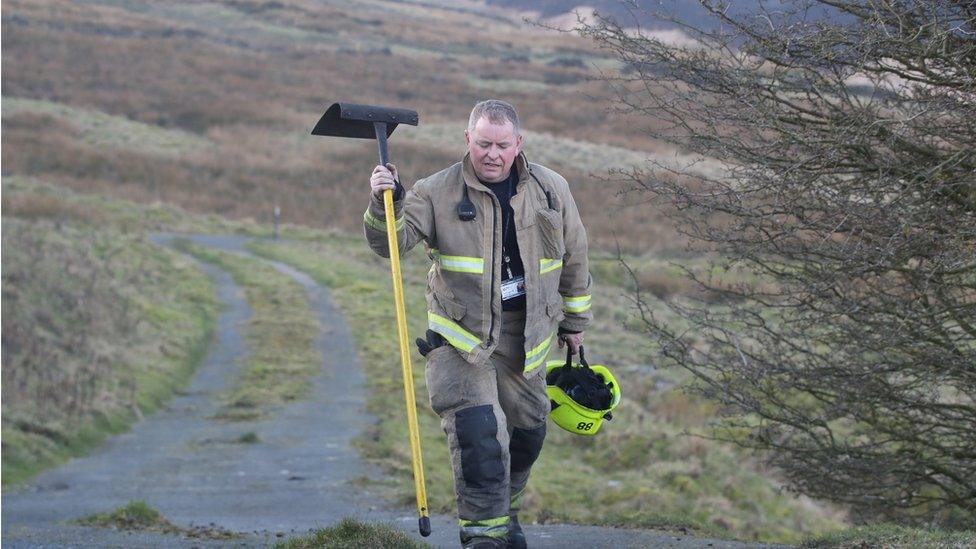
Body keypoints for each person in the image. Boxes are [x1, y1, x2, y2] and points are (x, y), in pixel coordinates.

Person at [364, 99, 592, 549]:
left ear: (518, 144)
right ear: (467, 140)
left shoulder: (551, 189)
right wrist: (381, 201)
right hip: (460, 339)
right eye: (483, 143)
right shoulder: (434, 192)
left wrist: (575, 320)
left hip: (528, 338)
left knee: (528, 433)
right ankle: (483, 539)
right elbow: (391, 245)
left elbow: (575, 255)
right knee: (480, 439)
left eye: (502, 145)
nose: (492, 153)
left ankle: (504, 516)